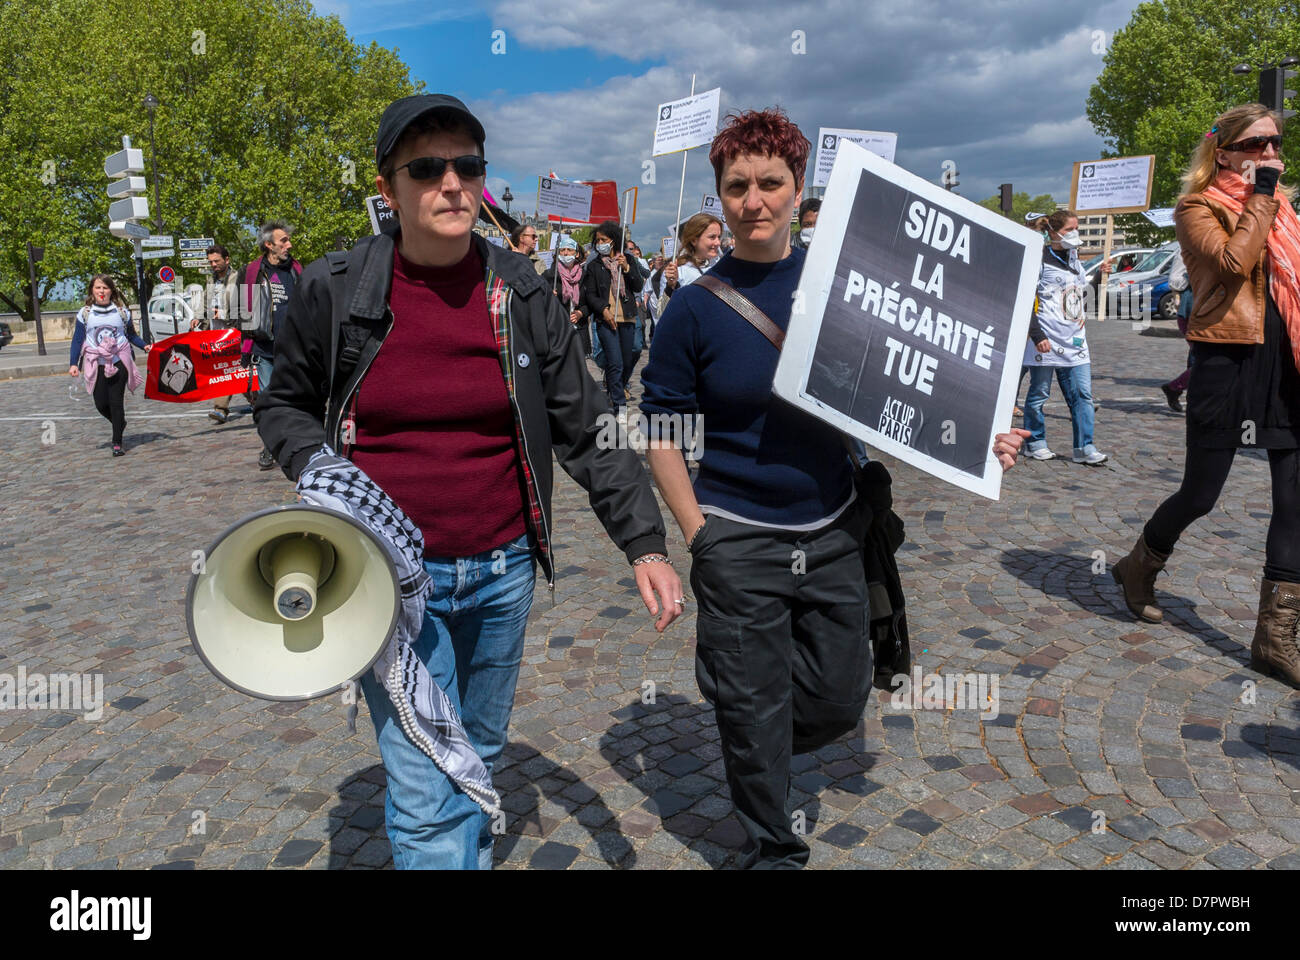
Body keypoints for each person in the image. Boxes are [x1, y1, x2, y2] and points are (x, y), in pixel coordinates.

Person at [255, 93, 683, 869]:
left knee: (477, 749)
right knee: (424, 792)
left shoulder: (519, 292)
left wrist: (645, 543)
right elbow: (283, 402)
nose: (452, 183)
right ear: (388, 190)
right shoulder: (336, 289)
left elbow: (587, 424)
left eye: (468, 167)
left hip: (503, 572)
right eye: (427, 168)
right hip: (385, 581)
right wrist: (314, 465)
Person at [640, 107, 1028, 869]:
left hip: (835, 527)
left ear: (798, 187)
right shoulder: (691, 307)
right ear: (719, 194)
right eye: (738, 186)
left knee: (839, 696)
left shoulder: (854, 284)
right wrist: (698, 536)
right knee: (755, 710)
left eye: (771, 183)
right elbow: (661, 432)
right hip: (738, 533)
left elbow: (919, 386)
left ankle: (750, 706)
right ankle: (772, 842)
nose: (755, 201)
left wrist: (983, 434)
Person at [1113, 103, 1300, 684]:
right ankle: (1138, 564)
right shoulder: (1196, 208)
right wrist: (1261, 197)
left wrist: (1271, 201)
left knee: (1295, 497)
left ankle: (1275, 636)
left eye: (1274, 144)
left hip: (1286, 362)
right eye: (1255, 145)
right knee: (1201, 493)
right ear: (1223, 153)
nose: (1269, 154)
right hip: (1227, 360)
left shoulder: (1287, 211)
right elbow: (1232, 263)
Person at [1020, 209, 1109, 464]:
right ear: (1053, 232)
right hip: (1046, 338)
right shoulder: (1039, 257)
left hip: (1075, 340)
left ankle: (1085, 447)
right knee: (1039, 394)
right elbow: (1025, 299)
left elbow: (1078, 296)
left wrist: (1099, 278)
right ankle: (1034, 441)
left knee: (1083, 394)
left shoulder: (1074, 258)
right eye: (1070, 229)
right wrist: (1037, 335)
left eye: (1076, 228)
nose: (1075, 233)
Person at [67, 275, 151, 456]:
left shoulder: (122, 313)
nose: (101, 291)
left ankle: (117, 443)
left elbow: (131, 336)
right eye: (98, 288)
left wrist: (144, 345)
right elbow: (77, 340)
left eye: (105, 288)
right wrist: (74, 363)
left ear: (111, 290)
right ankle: (119, 423)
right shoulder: (85, 314)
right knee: (101, 404)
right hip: (95, 363)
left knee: (116, 402)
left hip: (119, 361)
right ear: (92, 290)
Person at [242, 220, 301, 469]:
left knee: (295, 400)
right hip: (264, 350)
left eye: (288, 239)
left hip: (294, 349)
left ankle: (298, 445)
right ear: (268, 245)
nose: (289, 244)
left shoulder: (297, 268)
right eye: (283, 240)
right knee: (269, 401)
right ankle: (271, 446)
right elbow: (244, 311)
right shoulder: (253, 271)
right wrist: (245, 351)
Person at [581, 219, 643, 421]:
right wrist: (603, 310)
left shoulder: (628, 260)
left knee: (628, 358)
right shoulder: (594, 266)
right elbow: (590, 294)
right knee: (615, 362)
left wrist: (626, 268)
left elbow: (638, 286)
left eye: (604, 239)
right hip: (606, 320)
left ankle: (615, 385)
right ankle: (619, 404)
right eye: (597, 240)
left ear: (614, 241)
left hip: (627, 317)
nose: (600, 243)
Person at [198, 244, 242, 424]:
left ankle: (258, 402)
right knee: (224, 370)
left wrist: (223, 314)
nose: (213, 264)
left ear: (227, 260)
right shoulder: (210, 280)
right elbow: (205, 302)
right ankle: (221, 409)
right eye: (211, 262)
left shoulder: (239, 278)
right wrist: (198, 318)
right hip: (216, 334)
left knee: (240, 370)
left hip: (235, 331)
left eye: (216, 261)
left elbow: (245, 307)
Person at [656, 213, 722, 302]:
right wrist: (671, 286)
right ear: (694, 240)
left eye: (719, 237)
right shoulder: (678, 271)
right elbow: (662, 313)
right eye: (712, 237)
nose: (718, 242)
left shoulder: (721, 266)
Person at [542, 234, 589, 357]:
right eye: (562, 250)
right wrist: (548, 295)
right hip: (558, 328)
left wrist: (581, 313)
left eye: (569, 250)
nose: (566, 253)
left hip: (579, 327)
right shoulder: (549, 275)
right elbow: (539, 299)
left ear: (577, 254)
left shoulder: (585, 275)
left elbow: (590, 301)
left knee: (579, 366)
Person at [1160, 246, 1192, 411]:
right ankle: (1175, 387)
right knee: (1207, 359)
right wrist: (1195, 272)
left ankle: (1177, 388)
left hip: (1214, 309)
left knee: (1203, 358)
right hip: (1192, 310)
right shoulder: (1188, 246)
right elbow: (1175, 280)